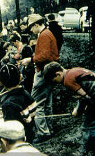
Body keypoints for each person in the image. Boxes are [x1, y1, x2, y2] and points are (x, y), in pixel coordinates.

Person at [42, 61, 95, 156]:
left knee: (91, 124)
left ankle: (88, 152)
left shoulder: (67, 80)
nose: (56, 83)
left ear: (58, 74)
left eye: (54, 80)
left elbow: (84, 97)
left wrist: (78, 110)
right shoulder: (72, 71)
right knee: (94, 121)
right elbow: (86, 95)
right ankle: (92, 149)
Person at [21, 14, 59, 143]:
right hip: (49, 72)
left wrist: (30, 60)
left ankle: (43, 133)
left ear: (36, 25)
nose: (31, 31)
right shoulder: (48, 33)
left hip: (43, 72)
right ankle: (50, 129)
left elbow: (45, 55)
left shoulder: (43, 35)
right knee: (47, 101)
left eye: (31, 28)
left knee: (36, 103)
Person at [0, 63, 35, 144]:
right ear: (20, 77)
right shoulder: (25, 93)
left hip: (20, 141)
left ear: (0, 82)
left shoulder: (8, 104)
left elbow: (11, 130)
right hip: (30, 134)